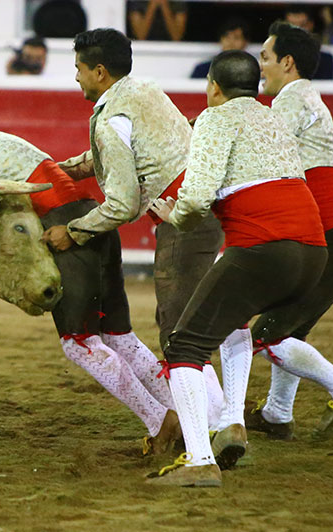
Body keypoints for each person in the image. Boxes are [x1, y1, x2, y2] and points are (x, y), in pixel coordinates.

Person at [0, 92, 181, 454]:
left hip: (65, 231)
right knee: (120, 336)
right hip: (96, 221)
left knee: (80, 344)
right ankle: (187, 415)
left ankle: (159, 420)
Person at [147, 50, 328, 487]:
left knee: (183, 347)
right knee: (231, 321)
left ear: (213, 86)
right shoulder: (273, 118)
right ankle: (232, 422)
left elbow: (195, 198)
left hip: (265, 249)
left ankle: (198, 462)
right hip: (313, 253)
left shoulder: (215, 118)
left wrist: (176, 216)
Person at [42, 28, 225, 433]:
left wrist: (74, 231)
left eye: (79, 68)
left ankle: (217, 425)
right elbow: (115, 154)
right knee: (185, 322)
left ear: (100, 72)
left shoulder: (111, 120)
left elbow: (122, 205)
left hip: (184, 221)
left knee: (181, 332)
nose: (76, 77)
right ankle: (217, 420)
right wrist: (59, 169)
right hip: (203, 213)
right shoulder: (144, 90)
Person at [249, 21, 333, 440]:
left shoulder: (292, 99)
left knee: (266, 336)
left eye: (265, 57)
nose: (260, 66)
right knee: (289, 329)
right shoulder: (304, 98)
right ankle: (277, 415)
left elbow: (255, 151)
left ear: (287, 62)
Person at [284, 6, 333, 79]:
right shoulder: (275, 59)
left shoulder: (325, 60)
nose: (297, 32)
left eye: (302, 26)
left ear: (311, 24)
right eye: (292, 26)